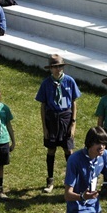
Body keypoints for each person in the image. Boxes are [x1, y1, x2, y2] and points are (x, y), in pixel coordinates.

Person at [35, 54, 80, 193]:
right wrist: (44, 128)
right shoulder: (46, 83)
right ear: (50, 69)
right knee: (51, 149)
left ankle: (73, 179)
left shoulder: (69, 81)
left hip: (66, 118)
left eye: (59, 66)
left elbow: (74, 103)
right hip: (51, 118)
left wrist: (73, 124)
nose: (57, 69)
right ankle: (50, 180)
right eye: (54, 67)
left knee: (68, 149)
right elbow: (42, 106)